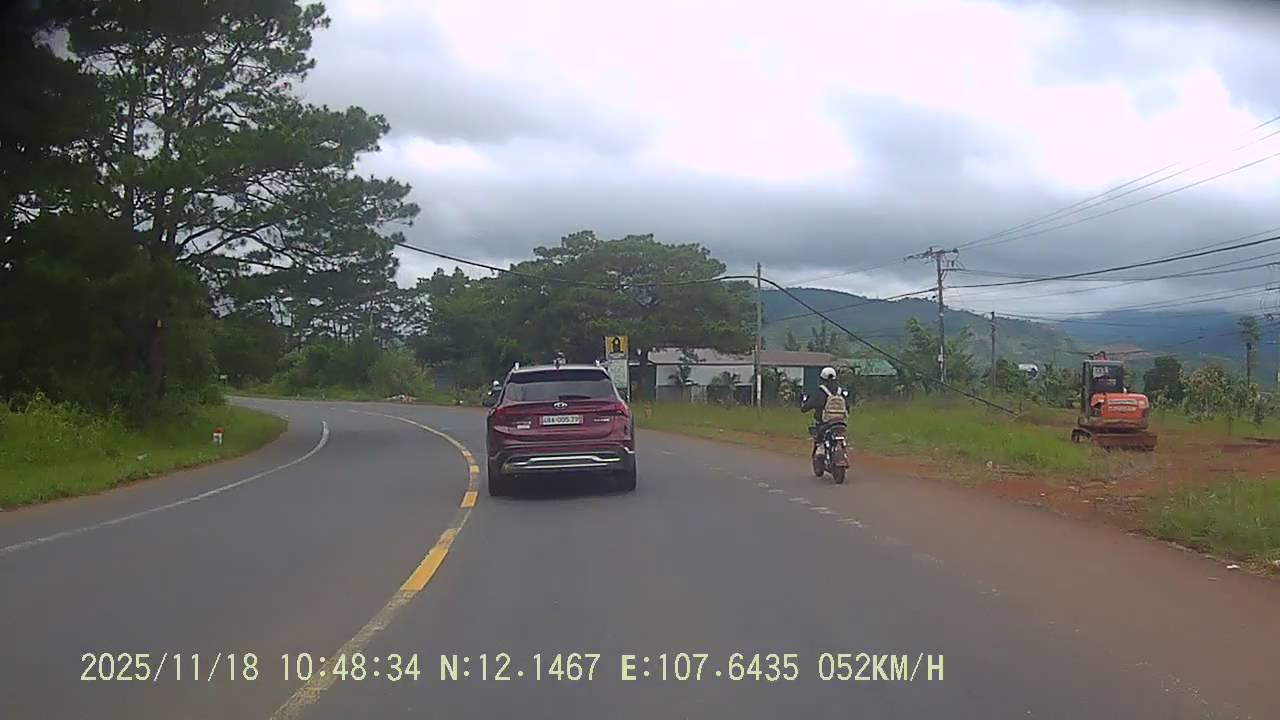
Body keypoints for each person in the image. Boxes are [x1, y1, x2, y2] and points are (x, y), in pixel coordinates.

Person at [800, 367, 850, 457]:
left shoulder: (821, 391)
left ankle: (821, 448)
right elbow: (847, 406)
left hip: (826, 422)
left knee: (819, 435)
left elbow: (807, 406)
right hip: (841, 421)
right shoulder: (840, 391)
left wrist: (804, 406)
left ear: (822, 378)